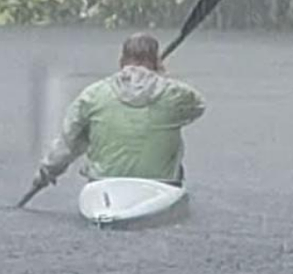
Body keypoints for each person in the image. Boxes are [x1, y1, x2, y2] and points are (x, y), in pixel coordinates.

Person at [32, 33, 205, 190]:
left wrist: (46, 173)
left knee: (85, 135)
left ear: (121, 61)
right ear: (157, 62)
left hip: (103, 184)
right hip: (161, 185)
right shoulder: (176, 95)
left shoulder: (92, 95)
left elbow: (68, 143)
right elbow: (197, 108)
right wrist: (162, 77)